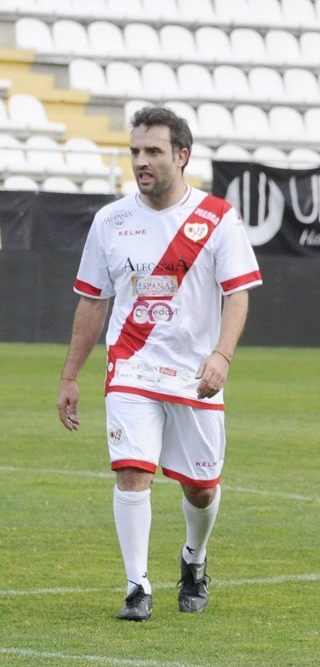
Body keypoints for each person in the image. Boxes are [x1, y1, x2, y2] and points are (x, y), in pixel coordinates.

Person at [57, 105, 262, 622]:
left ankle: (194, 557)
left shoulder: (218, 217)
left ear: (182, 155)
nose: (141, 161)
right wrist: (70, 376)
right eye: (135, 151)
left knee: (201, 487)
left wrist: (222, 355)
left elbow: (237, 294)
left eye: (153, 151)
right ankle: (137, 587)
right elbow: (92, 301)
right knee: (132, 472)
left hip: (195, 376)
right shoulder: (110, 221)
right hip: (130, 367)